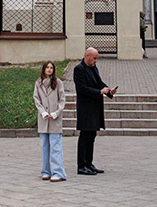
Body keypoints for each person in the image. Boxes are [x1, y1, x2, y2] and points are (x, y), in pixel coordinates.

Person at [72, 47, 115, 175]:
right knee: (85, 136)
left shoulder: (93, 68)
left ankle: (89, 163)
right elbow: (82, 89)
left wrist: (108, 90)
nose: (96, 61)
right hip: (85, 109)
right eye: (94, 58)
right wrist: (98, 92)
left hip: (94, 108)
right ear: (87, 56)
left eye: (96, 58)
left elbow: (99, 83)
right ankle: (81, 165)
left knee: (92, 136)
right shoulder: (79, 69)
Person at [33, 60, 67, 182]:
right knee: (44, 147)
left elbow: (62, 100)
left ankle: (58, 172)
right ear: (43, 69)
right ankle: (46, 171)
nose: (49, 69)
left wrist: (55, 113)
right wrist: (43, 112)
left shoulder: (58, 83)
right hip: (43, 119)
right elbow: (36, 99)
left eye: (51, 68)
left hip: (54, 119)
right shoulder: (38, 83)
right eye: (47, 67)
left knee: (55, 147)